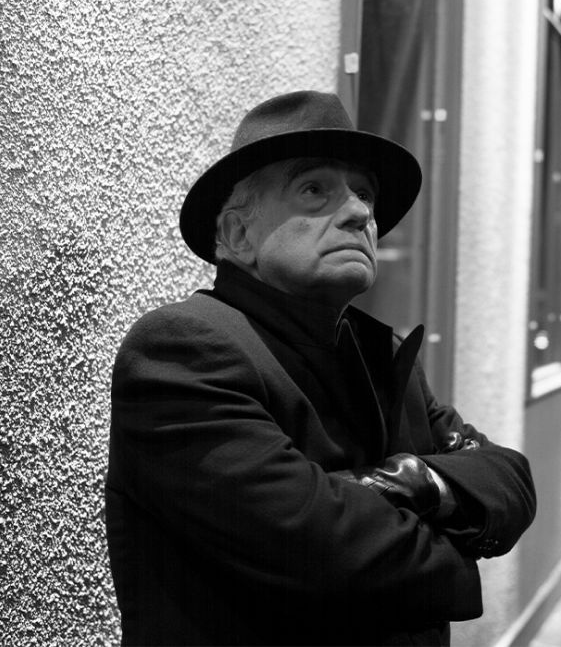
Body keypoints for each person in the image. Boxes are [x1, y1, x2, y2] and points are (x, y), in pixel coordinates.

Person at [105, 90, 537, 646]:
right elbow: (322, 550)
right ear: (239, 235)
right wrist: (451, 533)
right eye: (314, 189)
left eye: (365, 193)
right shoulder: (184, 348)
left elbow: (509, 480)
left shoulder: (382, 352)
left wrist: (410, 480)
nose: (360, 213)